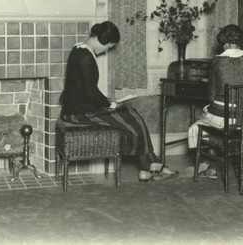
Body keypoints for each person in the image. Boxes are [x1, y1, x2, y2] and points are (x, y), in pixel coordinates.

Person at [60, 21, 178, 182]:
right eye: (109, 46)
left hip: (78, 108)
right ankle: (149, 165)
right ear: (103, 40)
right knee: (132, 117)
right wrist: (111, 104)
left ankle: (150, 166)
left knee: (132, 116)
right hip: (79, 113)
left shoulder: (78, 49)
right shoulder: (85, 56)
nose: (106, 50)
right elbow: (90, 92)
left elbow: (86, 91)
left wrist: (109, 103)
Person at [187, 24, 243, 178]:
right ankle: (213, 164)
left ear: (224, 43)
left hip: (223, 118)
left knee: (196, 126)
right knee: (211, 117)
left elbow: (211, 95)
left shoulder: (218, 61)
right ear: (240, 42)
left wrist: (208, 108)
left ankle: (209, 165)